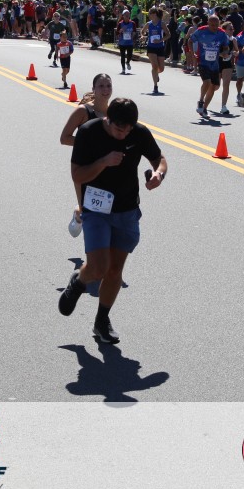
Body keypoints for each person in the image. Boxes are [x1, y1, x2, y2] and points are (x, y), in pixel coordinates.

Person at [58, 98, 167, 344]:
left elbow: (159, 159)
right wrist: (103, 162)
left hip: (127, 210)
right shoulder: (89, 132)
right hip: (96, 208)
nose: (124, 134)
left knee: (115, 269)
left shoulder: (138, 132)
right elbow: (77, 174)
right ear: (108, 120)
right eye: (119, 129)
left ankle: (101, 321)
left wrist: (159, 175)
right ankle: (79, 281)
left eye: (128, 130)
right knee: (98, 268)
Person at [60, 73, 113, 238]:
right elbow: (64, 138)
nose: (105, 90)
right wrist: (90, 144)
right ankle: (79, 214)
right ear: (93, 89)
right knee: (87, 208)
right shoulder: (83, 111)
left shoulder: (113, 112)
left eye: (108, 86)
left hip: (106, 166)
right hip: (83, 166)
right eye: (101, 86)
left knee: (107, 208)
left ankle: (101, 244)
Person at [192, 15, 230, 118]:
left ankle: (204, 109)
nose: (214, 27)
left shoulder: (222, 33)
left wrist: (225, 52)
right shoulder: (201, 31)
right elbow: (190, 40)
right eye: (212, 25)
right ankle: (201, 101)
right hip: (203, 62)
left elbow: (225, 46)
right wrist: (193, 53)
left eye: (216, 25)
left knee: (214, 87)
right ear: (208, 23)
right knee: (207, 82)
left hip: (215, 64)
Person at [143, 8, 170, 95]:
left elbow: (168, 35)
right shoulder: (148, 24)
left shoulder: (161, 23)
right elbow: (143, 32)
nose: (149, 15)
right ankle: (155, 86)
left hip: (160, 47)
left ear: (154, 14)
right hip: (151, 47)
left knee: (161, 69)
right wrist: (143, 36)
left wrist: (160, 40)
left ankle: (155, 74)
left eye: (150, 14)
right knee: (154, 66)